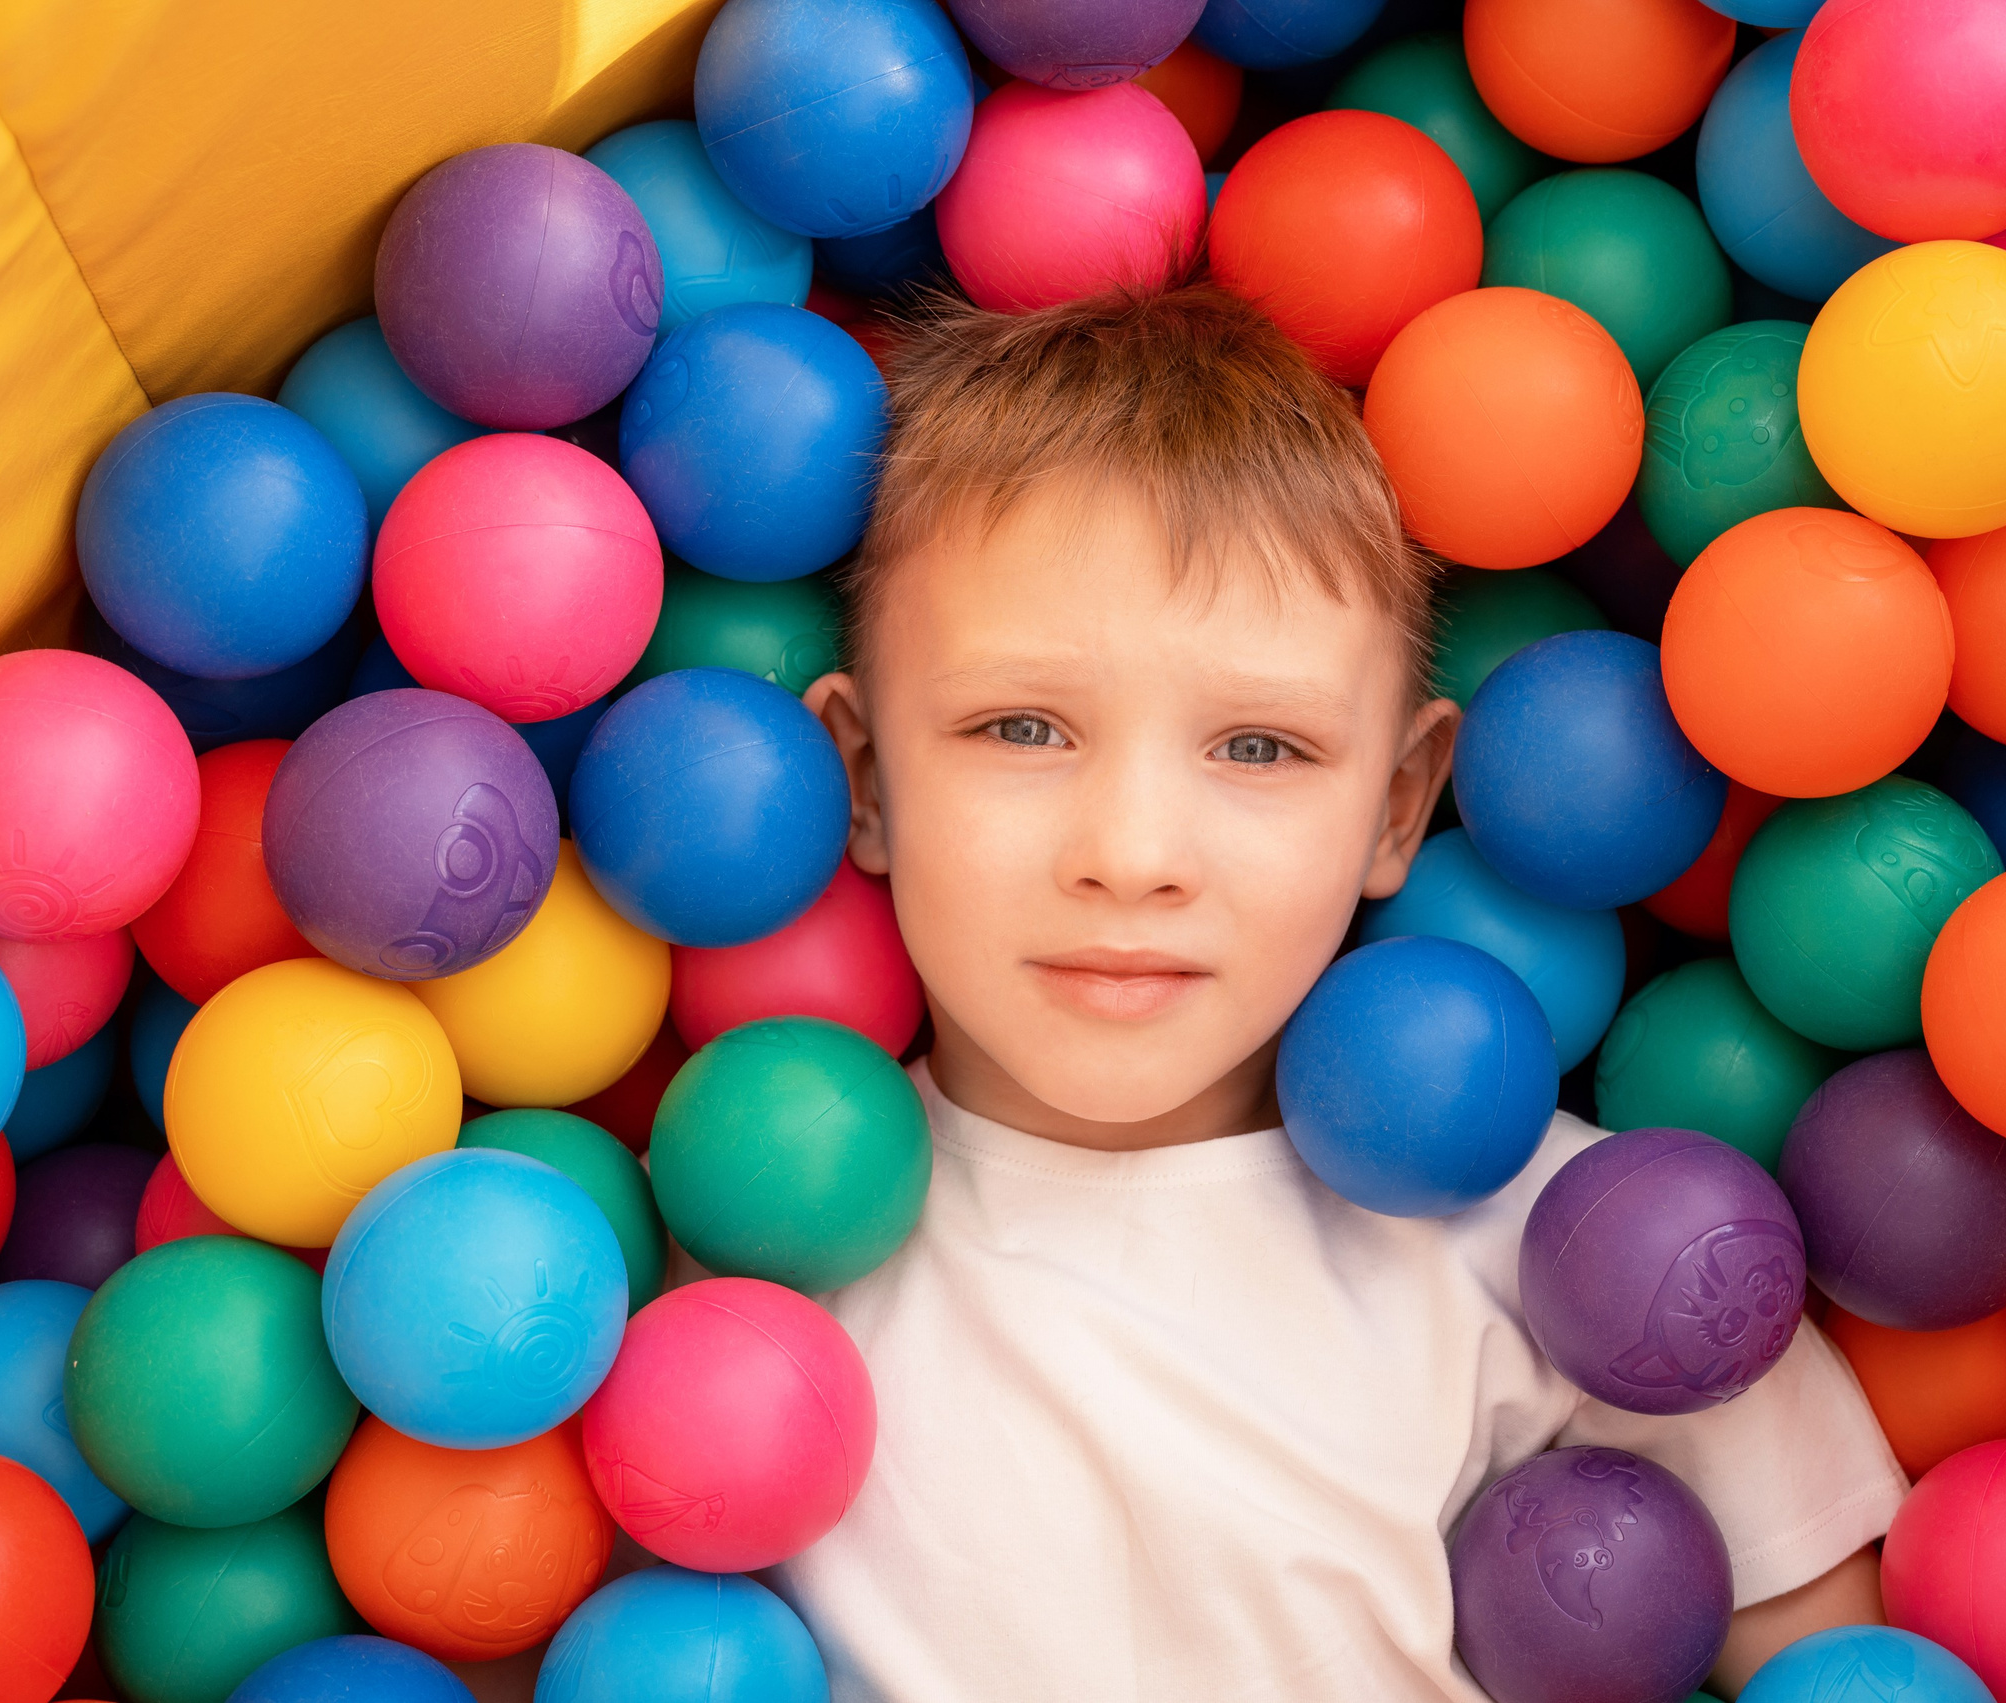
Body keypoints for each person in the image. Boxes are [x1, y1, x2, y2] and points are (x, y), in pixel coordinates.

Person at [779, 282, 1905, 1701]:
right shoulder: (740, 1255)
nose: (1132, 856)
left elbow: (1826, 1641)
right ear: (867, 777)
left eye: (1257, 748)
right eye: (1022, 727)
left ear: (1396, 807)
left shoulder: (1564, 1240)